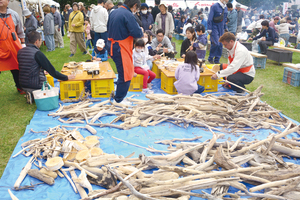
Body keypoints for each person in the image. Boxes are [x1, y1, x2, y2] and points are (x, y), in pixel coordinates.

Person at [17, 31, 75, 104]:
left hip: (23, 84)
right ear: (37, 41)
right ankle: (34, 94)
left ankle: (30, 93)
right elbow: (52, 71)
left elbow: (27, 66)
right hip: (36, 84)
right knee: (55, 93)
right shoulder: (37, 53)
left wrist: (41, 70)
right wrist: (66, 77)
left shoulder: (20, 52)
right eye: (41, 40)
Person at [107, 0, 143, 103]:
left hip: (112, 45)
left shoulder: (113, 12)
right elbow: (137, 33)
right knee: (126, 75)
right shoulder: (127, 14)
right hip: (120, 48)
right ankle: (119, 99)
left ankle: (118, 94)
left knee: (122, 71)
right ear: (135, 5)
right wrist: (140, 29)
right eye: (137, 8)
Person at [0, 0, 26, 94]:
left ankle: (20, 87)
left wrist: (23, 45)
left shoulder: (14, 14)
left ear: (8, 1)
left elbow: (20, 32)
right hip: (0, 48)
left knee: (16, 67)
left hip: (13, 47)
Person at [207, 0, 228, 64]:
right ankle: (210, 58)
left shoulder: (225, 7)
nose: (227, 1)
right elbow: (210, 18)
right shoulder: (214, 6)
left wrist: (226, 28)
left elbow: (224, 19)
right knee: (216, 43)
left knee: (221, 44)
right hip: (214, 27)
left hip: (221, 28)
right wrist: (209, 28)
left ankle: (217, 60)